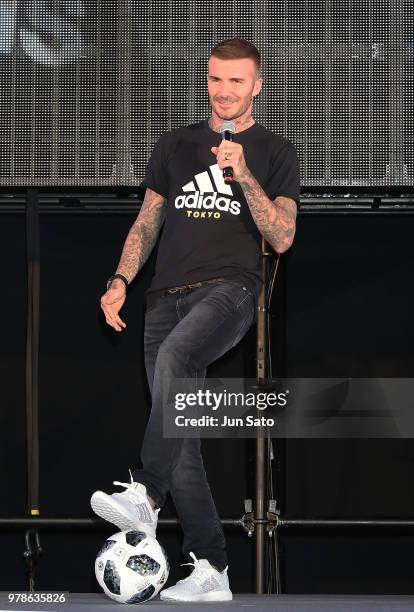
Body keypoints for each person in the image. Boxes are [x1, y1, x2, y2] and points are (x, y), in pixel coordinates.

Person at [90, 37, 300, 602]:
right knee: (180, 436)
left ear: (257, 86)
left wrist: (244, 173)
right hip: (163, 298)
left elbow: (281, 236)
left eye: (237, 81)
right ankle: (211, 569)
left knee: (177, 358)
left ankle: (146, 495)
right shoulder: (176, 145)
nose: (224, 91)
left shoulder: (276, 151)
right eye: (215, 80)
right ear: (205, 82)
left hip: (229, 291)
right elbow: (147, 222)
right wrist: (120, 281)